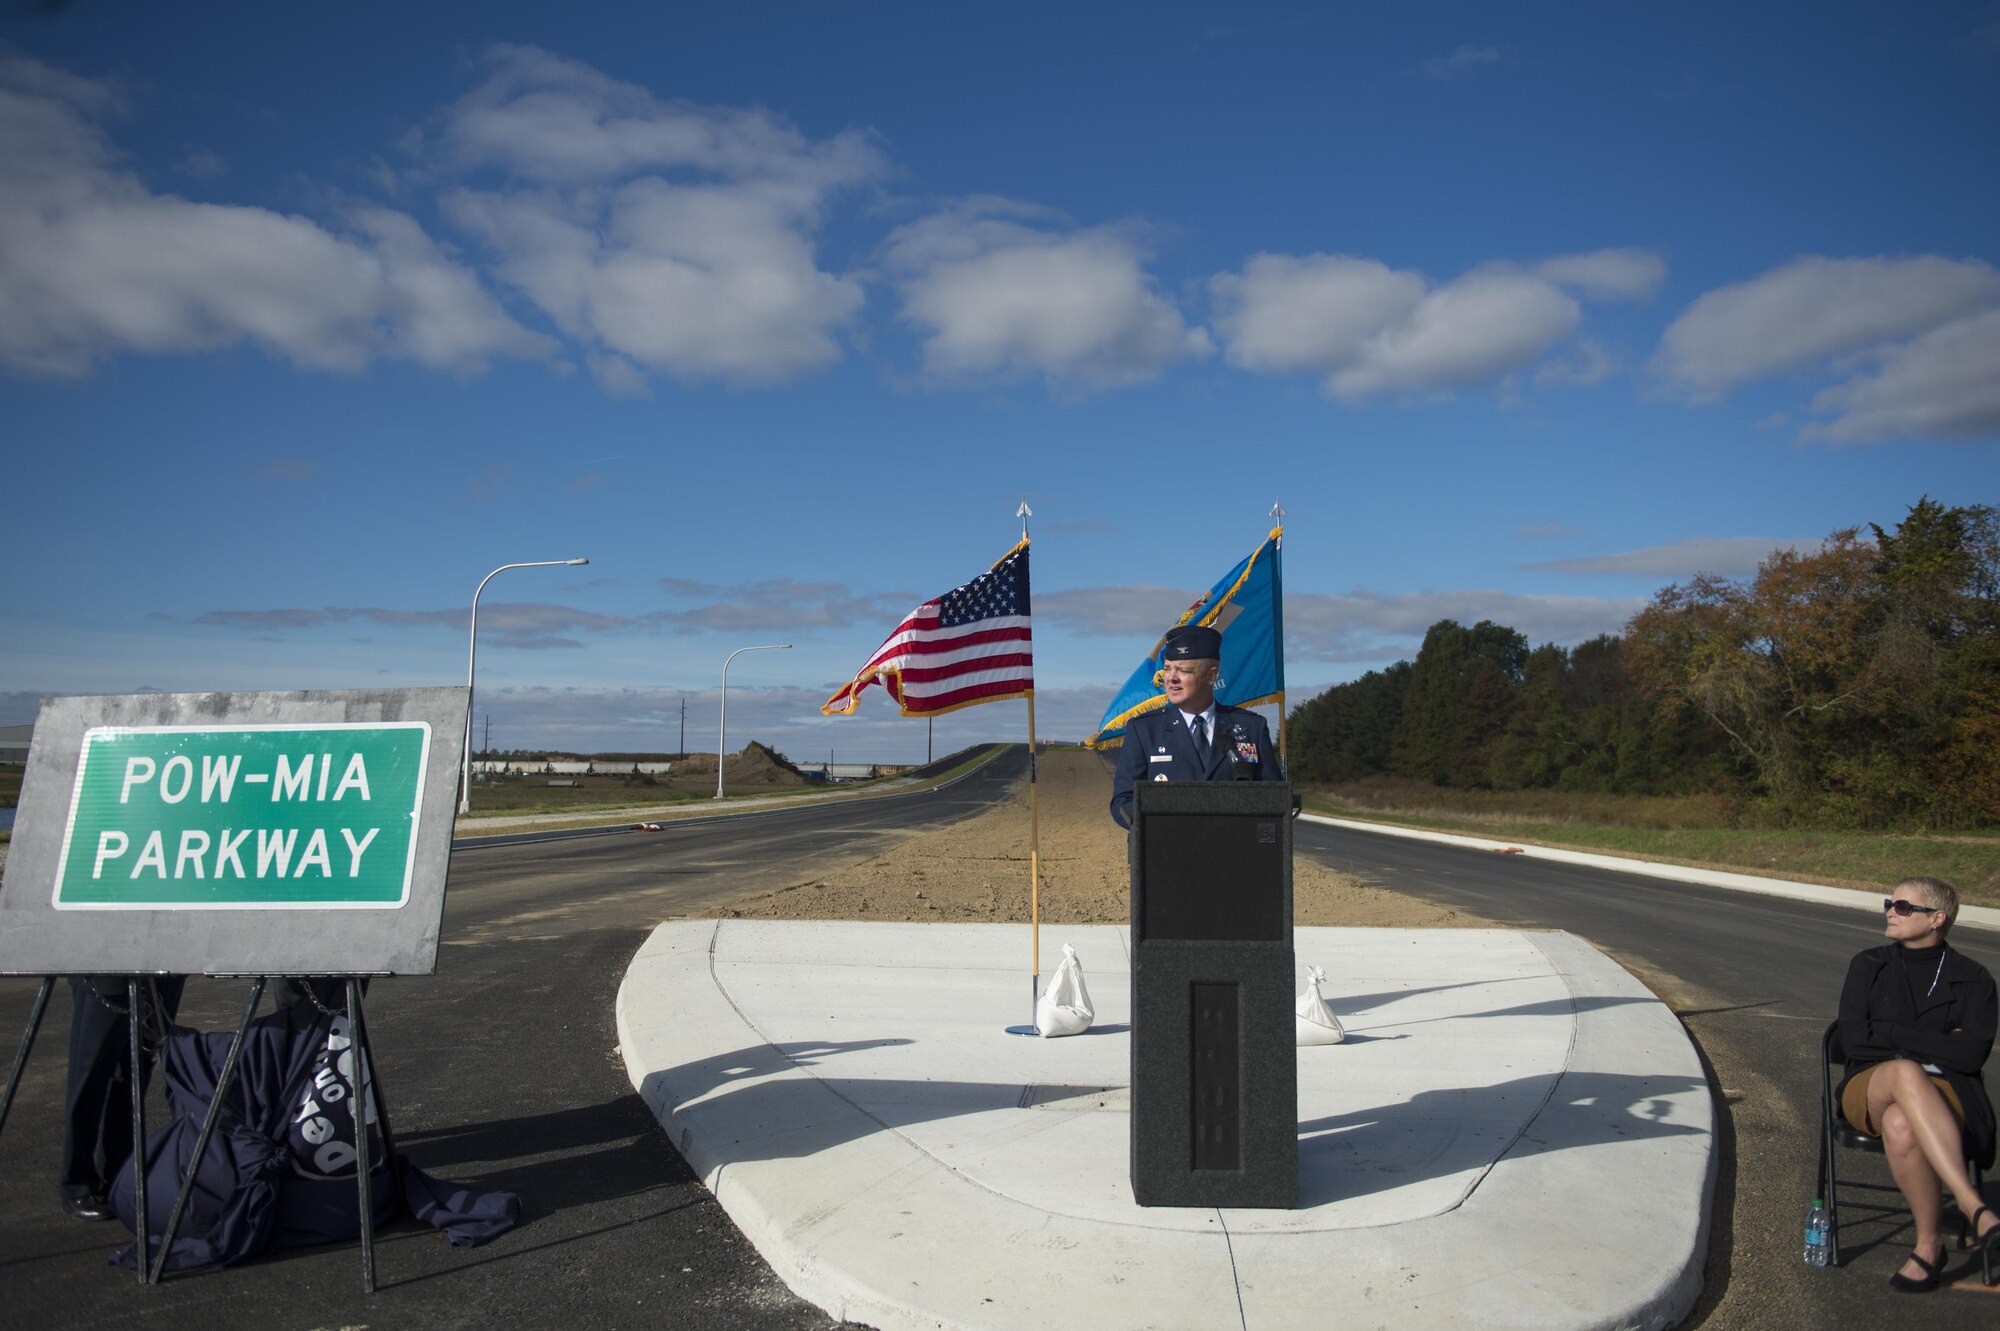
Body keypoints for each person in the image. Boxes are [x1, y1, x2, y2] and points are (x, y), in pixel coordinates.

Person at [1835, 876, 1999, 1291]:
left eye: (1904, 907)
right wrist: (1934, 1044)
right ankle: (1970, 1203)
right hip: (1868, 1086)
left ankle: (1928, 1247)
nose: (1891, 910)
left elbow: (1971, 1055)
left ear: (1937, 919)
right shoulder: (1868, 965)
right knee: (1905, 1072)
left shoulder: (1973, 979)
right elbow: (1853, 1039)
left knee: (1901, 1124)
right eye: (1890, 903)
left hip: (1946, 1091)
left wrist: (1890, 1032)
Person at [1109, 624, 1282, 829]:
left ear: (1211, 676)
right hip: (1165, 851)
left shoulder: (1250, 728)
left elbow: (1274, 797)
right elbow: (1123, 799)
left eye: (1183, 670)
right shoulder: (1144, 730)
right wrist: (1154, 827)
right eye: (1167, 669)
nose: (1172, 678)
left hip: (1234, 851)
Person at [61, 974, 184, 1221]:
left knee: (136, 1070)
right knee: (91, 1072)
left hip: (162, 966)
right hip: (104, 969)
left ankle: (118, 1175)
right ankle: (76, 1182)